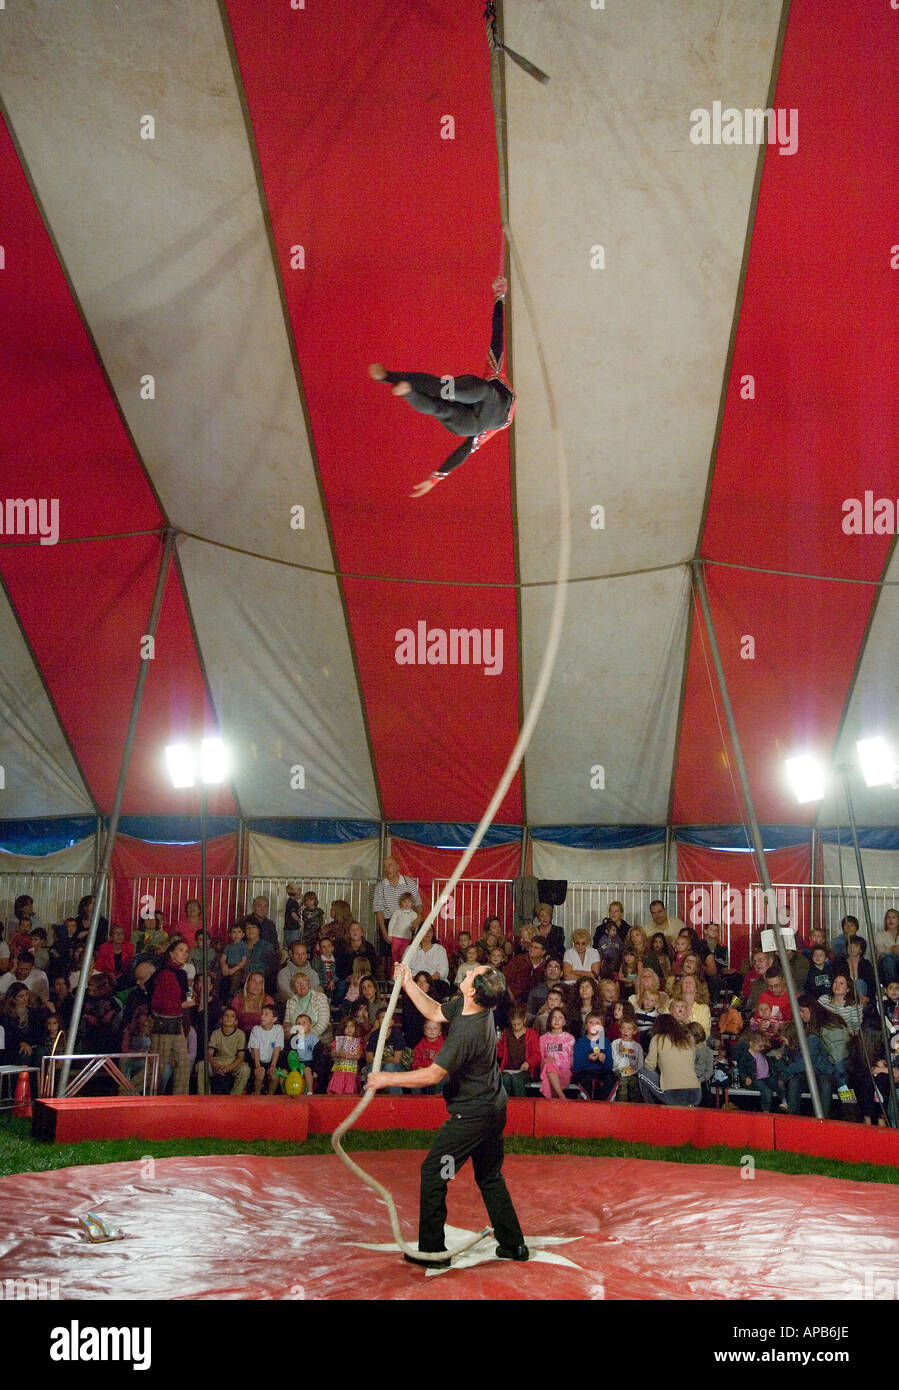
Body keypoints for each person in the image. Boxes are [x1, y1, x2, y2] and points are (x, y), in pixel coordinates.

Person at [368, 962, 528, 1267]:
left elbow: (433, 1074)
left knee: (435, 1173)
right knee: (489, 1176)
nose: (466, 973)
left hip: (470, 1121)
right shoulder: (470, 1009)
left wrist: (386, 1079)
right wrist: (408, 984)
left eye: (471, 975)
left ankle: (432, 1252)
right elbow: (434, 1012)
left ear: (472, 991)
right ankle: (513, 1245)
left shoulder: (467, 1031)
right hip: (492, 1111)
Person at [370, 276, 515, 498]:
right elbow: (465, 450)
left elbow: (498, 336)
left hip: (485, 399)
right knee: (442, 408)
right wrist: (435, 478)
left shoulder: (494, 372)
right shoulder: (487, 430)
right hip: (472, 424)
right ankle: (406, 391)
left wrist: (499, 297)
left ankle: (392, 378)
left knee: (447, 391)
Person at [147, 940, 192, 1095]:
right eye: (181, 950)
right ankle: (126, 1090)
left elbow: (186, 994)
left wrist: (190, 998)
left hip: (176, 1023)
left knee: (184, 1064)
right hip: (164, 1022)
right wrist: (184, 1004)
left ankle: (180, 1099)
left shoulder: (181, 973)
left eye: (186, 951)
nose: (184, 954)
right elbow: (162, 1003)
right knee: (156, 1067)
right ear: (171, 953)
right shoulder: (165, 974)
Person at [638, 1013, 702, 1107]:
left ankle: (651, 1110)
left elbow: (649, 1066)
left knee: (642, 1072)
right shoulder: (688, 1040)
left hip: (674, 1096)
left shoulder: (657, 1039)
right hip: (695, 1094)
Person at [373, 857, 422, 969]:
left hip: (408, 923)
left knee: (407, 955)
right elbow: (378, 910)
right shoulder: (380, 886)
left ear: (397, 867)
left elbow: (418, 904)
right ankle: (389, 981)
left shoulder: (409, 883)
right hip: (388, 922)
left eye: (390, 865)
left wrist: (418, 918)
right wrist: (384, 932)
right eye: (385, 866)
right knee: (387, 957)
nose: (387, 869)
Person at [201, 1006, 250, 1095]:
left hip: (233, 1061)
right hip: (219, 1060)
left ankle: (235, 1096)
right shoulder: (216, 1033)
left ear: (236, 1021)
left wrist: (228, 1068)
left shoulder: (240, 1034)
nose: (228, 1018)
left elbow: (240, 1057)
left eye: (232, 1016)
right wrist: (216, 1066)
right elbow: (209, 1054)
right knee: (202, 1066)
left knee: (245, 1069)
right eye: (226, 1015)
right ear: (221, 1020)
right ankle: (204, 1095)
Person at [496, 1006, 540, 1097]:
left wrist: (528, 1063)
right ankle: (504, 1107)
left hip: (524, 1071)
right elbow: (500, 1054)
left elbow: (537, 1055)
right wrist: (497, 1043)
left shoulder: (531, 1034)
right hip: (508, 1069)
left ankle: (521, 1107)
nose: (516, 1027)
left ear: (524, 1020)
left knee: (516, 1079)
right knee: (505, 1078)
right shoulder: (506, 1033)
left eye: (519, 1024)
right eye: (514, 1024)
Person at [572, 1012, 615, 1100]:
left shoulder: (605, 1042)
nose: (594, 1025)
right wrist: (588, 1058)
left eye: (597, 1023)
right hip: (585, 1072)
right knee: (587, 1079)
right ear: (585, 1026)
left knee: (611, 1077)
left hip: (601, 1072)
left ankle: (604, 1103)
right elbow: (576, 1065)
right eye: (591, 1022)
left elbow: (609, 1065)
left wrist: (604, 1059)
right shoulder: (581, 1042)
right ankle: (588, 1101)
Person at [539, 1007, 576, 1099]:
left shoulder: (569, 1038)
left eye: (560, 1018)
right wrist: (546, 1062)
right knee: (549, 1064)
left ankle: (553, 1103)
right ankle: (561, 1096)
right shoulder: (543, 1039)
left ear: (564, 1022)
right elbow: (540, 1060)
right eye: (554, 1017)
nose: (556, 1020)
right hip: (547, 1069)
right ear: (549, 1020)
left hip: (564, 1071)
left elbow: (572, 1060)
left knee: (549, 1079)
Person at [249, 1004, 284, 1095]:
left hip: (272, 1060)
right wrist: (257, 1066)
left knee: (275, 1074)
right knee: (260, 1074)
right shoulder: (256, 1029)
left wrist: (273, 1065)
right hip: (258, 1060)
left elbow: (277, 1048)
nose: (262, 1016)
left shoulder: (278, 1029)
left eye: (266, 1014)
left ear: (274, 1019)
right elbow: (255, 1049)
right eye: (262, 1014)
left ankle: (270, 1095)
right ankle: (257, 1094)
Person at [405, 928, 450, 994]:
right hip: (414, 982)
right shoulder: (410, 949)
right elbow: (405, 969)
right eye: (425, 930)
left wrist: (427, 982)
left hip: (434, 982)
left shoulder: (440, 949)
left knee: (442, 986)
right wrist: (418, 981)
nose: (427, 933)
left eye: (430, 931)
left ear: (433, 933)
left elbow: (443, 970)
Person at [384, 890, 421, 967]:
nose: (407, 904)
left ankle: (402, 973)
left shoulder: (414, 914)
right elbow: (392, 923)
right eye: (405, 901)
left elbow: (416, 926)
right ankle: (394, 973)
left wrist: (414, 934)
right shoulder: (397, 912)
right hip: (396, 937)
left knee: (403, 955)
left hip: (406, 938)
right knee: (395, 956)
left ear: (412, 903)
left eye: (409, 901)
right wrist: (390, 935)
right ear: (401, 902)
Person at [327, 1018, 364, 1095]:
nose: (349, 1029)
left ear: (355, 1028)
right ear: (343, 1029)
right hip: (339, 1069)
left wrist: (351, 1056)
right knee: (337, 1089)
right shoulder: (338, 1040)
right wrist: (339, 1054)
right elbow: (332, 1053)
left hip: (351, 1069)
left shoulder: (357, 1041)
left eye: (351, 1026)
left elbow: (359, 1055)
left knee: (349, 1090)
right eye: (346, 1027)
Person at [611, 1019, 644, 1102]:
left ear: (634, 1031)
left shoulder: (637, 1046)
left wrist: (633, 1072)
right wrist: (620, 1053)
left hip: (632, 1072)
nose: (625, 1031)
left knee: (634, 1084)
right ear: (620, 1030)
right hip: (618, 1072)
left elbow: (640, 1065)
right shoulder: (615, 1043)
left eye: (629, 1029)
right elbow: (614, 1064)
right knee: (623, 1083)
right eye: (623, 1028)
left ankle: (634, 1108)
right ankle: (622, 1106)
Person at [412, 1019, 447, 1093]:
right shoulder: (420, 1045)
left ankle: (435, 1097)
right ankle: (417, 1101)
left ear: (440, 1032)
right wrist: (418, 1067)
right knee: (414, 1079)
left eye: (435, 1028)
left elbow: (446, 1061)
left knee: (444, 1077)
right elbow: (416, 1060)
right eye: (428, 1028)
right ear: (424, 1032)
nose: (432, 1031)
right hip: (424, 1072)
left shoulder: (444, 1045)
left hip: (437, 1072)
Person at [873, 908, 899, 985]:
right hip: (884, 966)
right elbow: (880, 951)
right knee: (888, 958)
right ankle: (892, 987)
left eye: (894, 917)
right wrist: (892, 949)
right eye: (888, 917)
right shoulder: (879, 935)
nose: (890, 920)